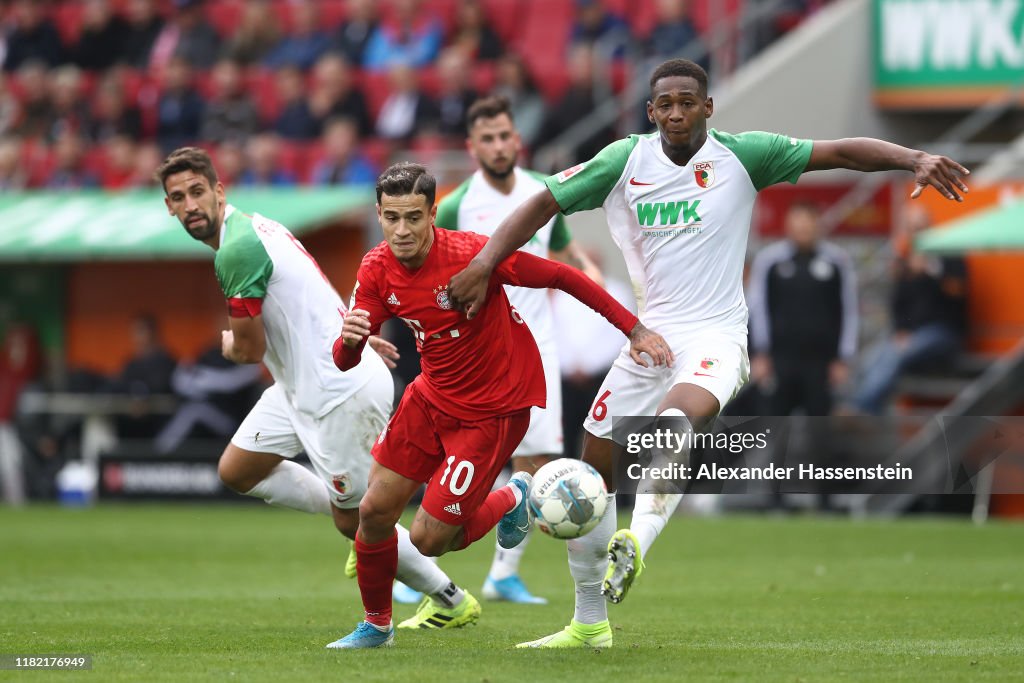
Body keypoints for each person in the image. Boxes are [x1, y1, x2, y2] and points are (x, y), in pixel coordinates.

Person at [448, 58, 969, 648]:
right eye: (664, 103)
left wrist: (915, 159)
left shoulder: (744, 155)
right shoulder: (624, 160)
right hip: (650, 339)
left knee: (672, 424)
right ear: (651, 111)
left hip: (717, 336)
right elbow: (544, 202)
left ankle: (637, 541)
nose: (675, 112)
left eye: (686, 102)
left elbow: (841, 151)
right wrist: (484, 262)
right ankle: (590, 623)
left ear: (707, 106)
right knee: (589, 477)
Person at [329, 161, 670, 649]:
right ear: (379, 215)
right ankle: (376, 626)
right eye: (391, 218)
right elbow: (344, 360)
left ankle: (516, 494)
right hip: (430, 397)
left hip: (493, 409)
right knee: (374, 512)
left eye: (413, 217)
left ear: (433, 213)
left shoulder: (473, 255)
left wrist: (634, 329)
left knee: (428, 541)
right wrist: (350, 342)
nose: (402, 230)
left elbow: (560, 275)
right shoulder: (376, 267)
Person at [156, 147, 481, 645]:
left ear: (219, 191)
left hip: (337, 391)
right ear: (168, 207)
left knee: (359, 523)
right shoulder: (255, 227)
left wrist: (225, 343)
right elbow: (307, 284)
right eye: (179, 197)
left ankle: (449, 600)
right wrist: (352, 327)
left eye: (198, 191)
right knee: (238, 470)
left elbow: (248, 349)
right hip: (298, 386)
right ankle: (348, 511)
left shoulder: (236, 249)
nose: (190, 204)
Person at [434, 95, 602, 605]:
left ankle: (502, 573)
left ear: (518, 138)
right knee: (466, 461)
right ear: (471, 147)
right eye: (487, 138)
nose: (499, 145)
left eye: (505, 135)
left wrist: (586, 268)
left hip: (539, 348)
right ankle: (417, 561)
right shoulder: (458, 204)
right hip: (482, 352)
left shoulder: (542, 193)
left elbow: (563, 242)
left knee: (539, 461)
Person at [852, 206, 967, 415]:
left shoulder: (949, 255)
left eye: (921, 227)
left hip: (943, 332)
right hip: (910, 335)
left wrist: (932, 270)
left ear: (931, 227)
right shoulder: (905, 263)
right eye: (913, 229)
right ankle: (857, 409)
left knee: (896, 355)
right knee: (869, 359)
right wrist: (900, 331)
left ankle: (863, 410)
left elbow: (959, 294)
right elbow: (898, 304)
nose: (918, 233)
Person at [747, 201, 858, 417]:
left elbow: (848, 309)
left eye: (808, 225)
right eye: (798, 226)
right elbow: (756, 308)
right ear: (788, 227)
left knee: (819, 428)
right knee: (773, 425)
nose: (803, 231)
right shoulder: (769, 261)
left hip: (821, 361)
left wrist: (843, 357)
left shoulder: (837, 261)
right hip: (779, 358)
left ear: (818, 225)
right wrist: (758, 353)